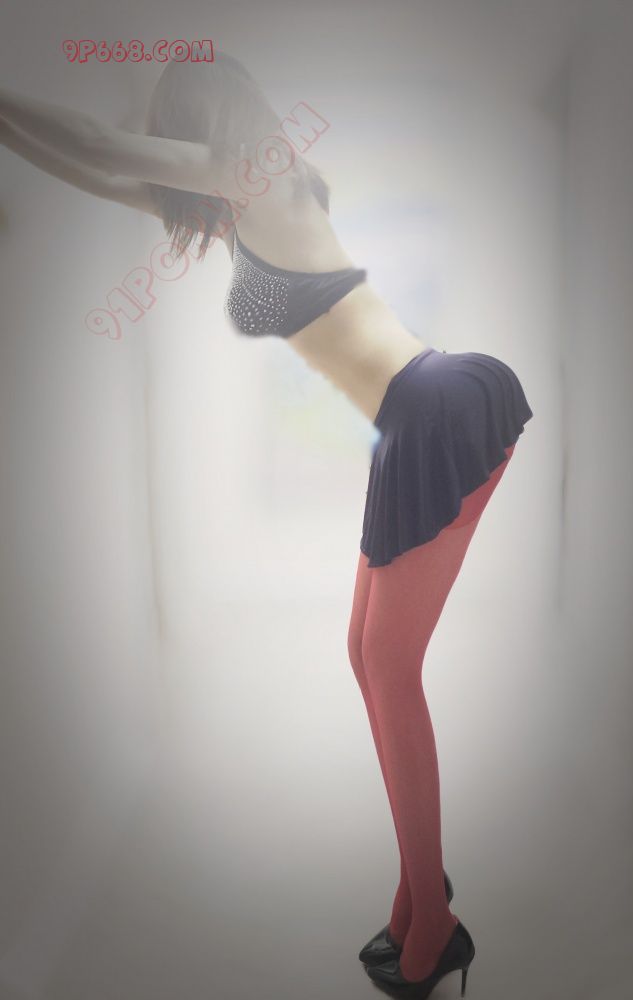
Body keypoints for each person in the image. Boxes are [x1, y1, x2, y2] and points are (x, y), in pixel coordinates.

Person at [0, 51, 533, 999]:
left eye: (172, 121)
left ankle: (434, 926)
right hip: (409, 418)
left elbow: (97, 142)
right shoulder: (237, 199)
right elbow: (97, 168)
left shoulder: (260, 170)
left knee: (390, 667)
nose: (163, 140)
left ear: (203, 117)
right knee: (365, 654)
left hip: (436, 405)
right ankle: (419, 891)